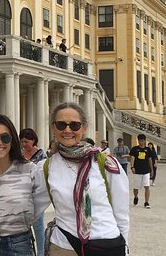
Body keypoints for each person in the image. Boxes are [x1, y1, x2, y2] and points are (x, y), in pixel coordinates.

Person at [45, 102, 129, 255]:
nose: (67, 130)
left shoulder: (105, 163)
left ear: (84, 128)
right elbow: (32, 204)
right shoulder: (47, 166)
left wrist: (125, 246)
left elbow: (121, 210)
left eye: (74, 125)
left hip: (106, 243)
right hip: (65, 245)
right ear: (53, 128)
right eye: (61, 124)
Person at [0, 117, 49, 255]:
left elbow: (40, 203)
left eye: (5, 138)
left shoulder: (29, 170)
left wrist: (21, 219)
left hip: (19, 244)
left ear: (12, 140)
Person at [20, 128, 48, 256]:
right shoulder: (20, 154)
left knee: (38, 226)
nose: (24, 144)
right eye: (22, 141)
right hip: (21, 194)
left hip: (35, 194)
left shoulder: (41, 155)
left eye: (26, 141)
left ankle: (41, 253)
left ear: (33, 140)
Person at [130, 134, 154, 208]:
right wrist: (132, 166)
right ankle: (136, 197)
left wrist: (152, 170)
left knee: (147, 186)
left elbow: (150, 160)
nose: (141, 142)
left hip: (146, 170)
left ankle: (146, 202)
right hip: (137, 170)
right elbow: (132, 158)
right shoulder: (134, 149)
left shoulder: (148, 150)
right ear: (138, 140)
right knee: (136, 187)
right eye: (140, 140)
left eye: (142, 140)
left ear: (144, 141)